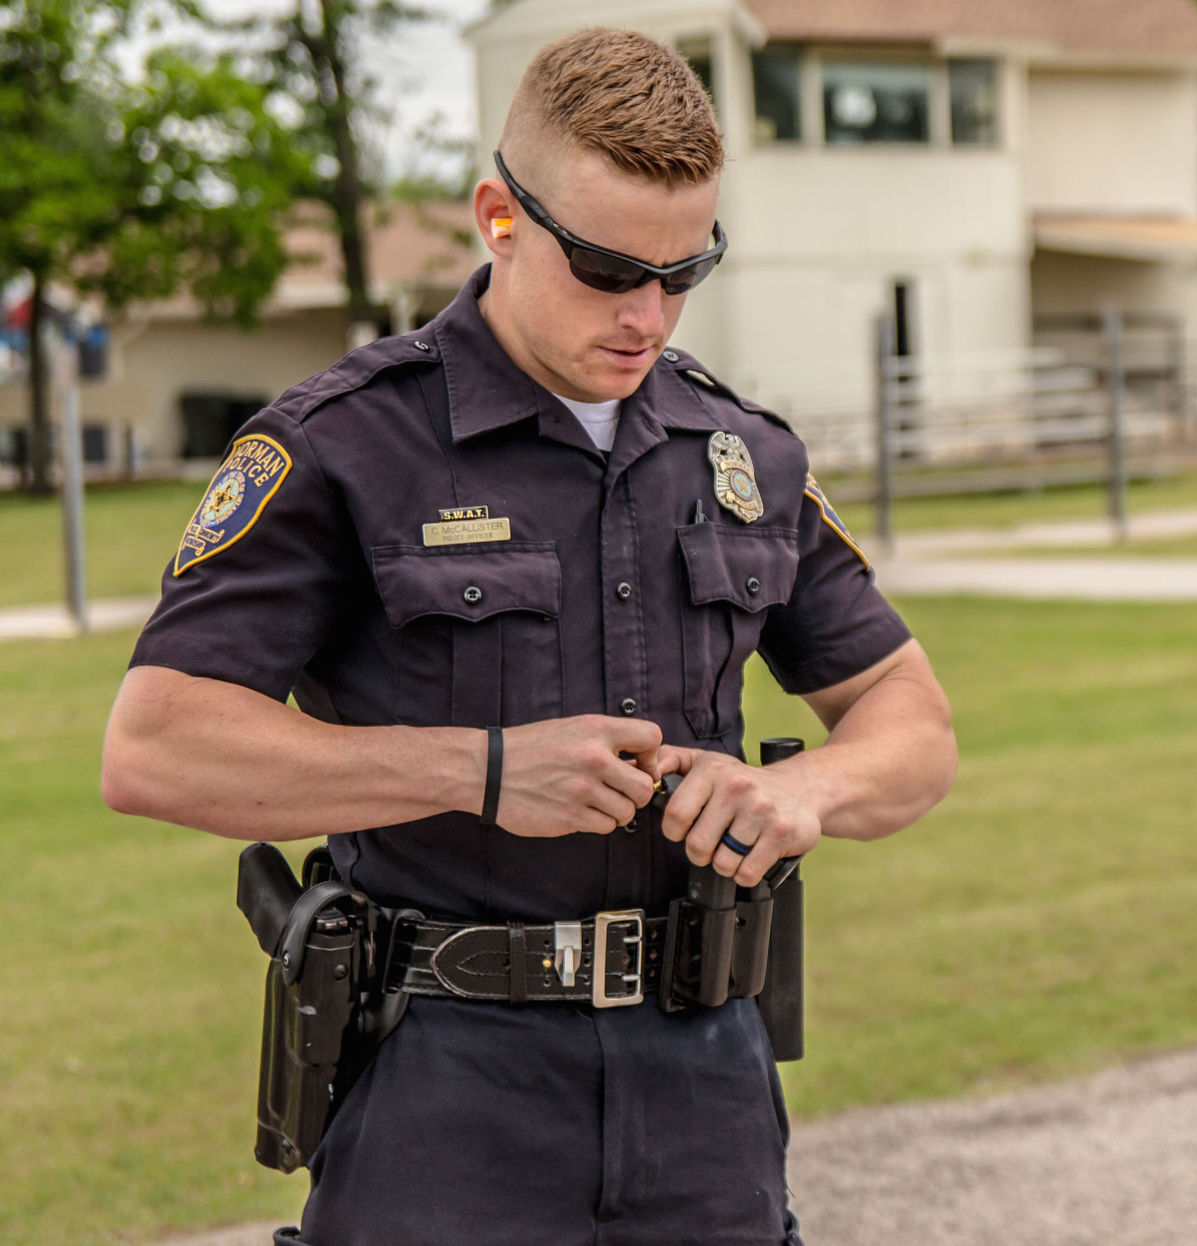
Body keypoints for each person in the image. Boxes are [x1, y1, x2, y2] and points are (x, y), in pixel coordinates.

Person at [102, 26, 956, 1246]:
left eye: (684, 272)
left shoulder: (743, 456)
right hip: (447, 1093)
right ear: (499, 216)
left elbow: (912, 724)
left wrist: (807, 792)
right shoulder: (344, 443)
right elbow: (155, 747)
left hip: (707, 1087)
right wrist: (483, 770)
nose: (648, 314)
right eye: (609, 270)